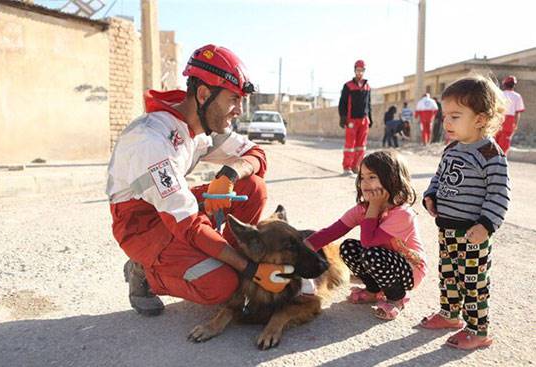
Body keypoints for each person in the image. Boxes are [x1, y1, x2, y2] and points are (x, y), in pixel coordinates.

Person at [106, 44, 293, 316]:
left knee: (252, 186)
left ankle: (227, 260)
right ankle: (144, 270)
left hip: (173, 206)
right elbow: (189, 224)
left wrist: (230, 173)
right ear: (204, 94)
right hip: (142, 224)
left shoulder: (200, 126)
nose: (238, 110)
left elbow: (257, 154)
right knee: (222, 285)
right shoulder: (151, 140)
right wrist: (251, 269)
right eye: (233, 100)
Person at [420, 76, 509, 350]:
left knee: (473, 284)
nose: (446, 123)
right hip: (447, 229)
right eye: (445, 116)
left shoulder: (490, 154)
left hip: (473, 233)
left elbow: (499, 195)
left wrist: (486, 224)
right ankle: (449, 315)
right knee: (448, 276)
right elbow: (440, 178)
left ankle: (478, 330)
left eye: (455, 116)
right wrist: (430, 195)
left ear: (480, 119)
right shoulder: (451, 148)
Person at [304, 150, 426, 320]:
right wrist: (303, 248)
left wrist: (374, 208)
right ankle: (373, 290)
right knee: (348, 247)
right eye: (362, 177)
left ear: (392, 178)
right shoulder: (362, 209)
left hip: (409, 270)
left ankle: (397, 298)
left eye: (372, 177)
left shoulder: (402, 214)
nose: (365, 183)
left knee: (371, 253)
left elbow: (369, 243)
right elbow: (332, 232)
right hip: (381, 262)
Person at [338, 59, 373, 176]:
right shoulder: (348, 86)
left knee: (361, 146)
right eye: (358, 70)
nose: (360, 73)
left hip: (364, 120)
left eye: (362, 70)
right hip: (351, 120)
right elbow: (342, 103)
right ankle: (346, 167)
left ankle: (356, 167)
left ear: (364, 71)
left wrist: (370, 118)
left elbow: (369, 104)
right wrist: (343, 118)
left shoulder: (367, 86)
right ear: (355, 70)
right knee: (350, 145)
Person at [495, 75, 525, 154]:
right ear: (514, 85)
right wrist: (515, 124)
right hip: (509, 120)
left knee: (494, 139)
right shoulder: (517, 96)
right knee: (504, 143)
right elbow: (517, 112)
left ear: (504, 84)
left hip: (498, 118)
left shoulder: (499, 94)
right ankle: (501, 160)